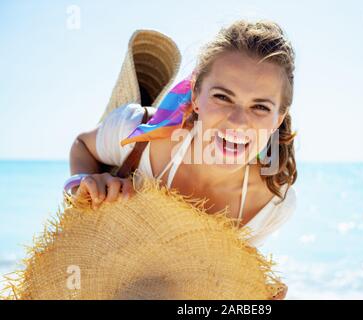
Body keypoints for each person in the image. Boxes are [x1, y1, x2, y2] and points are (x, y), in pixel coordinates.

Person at [69, 19, 298, 300]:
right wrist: (82, 182)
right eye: (223, 97)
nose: (238, 121)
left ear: (279, 118)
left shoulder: (270, 205)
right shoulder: (138, 136)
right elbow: (82, 145)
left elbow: (204, 283)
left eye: (260, 106)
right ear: (196, 96)